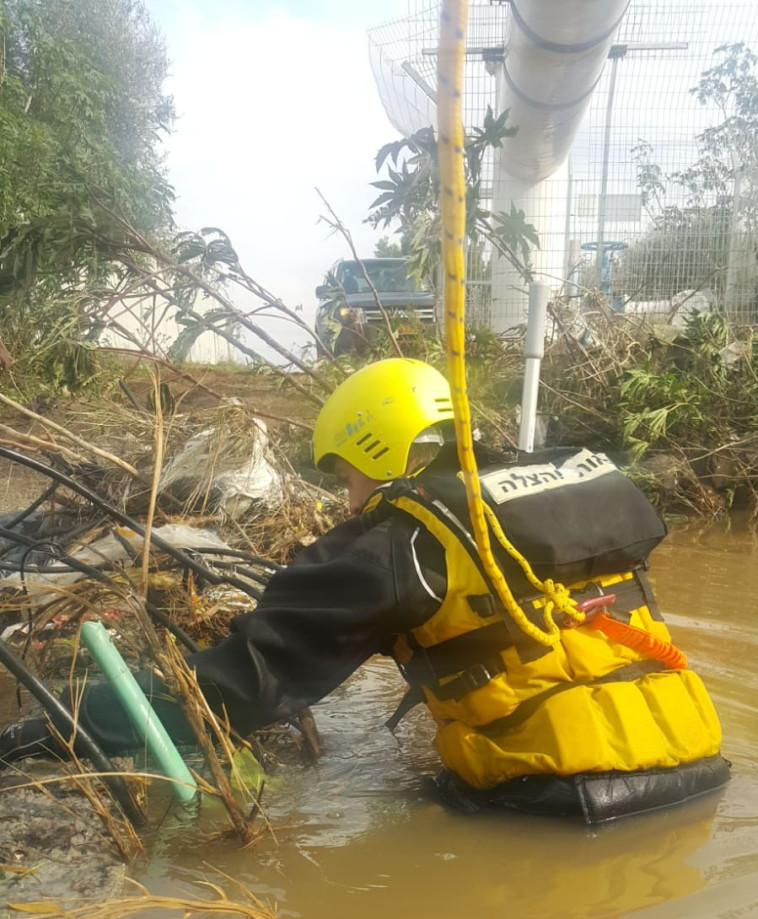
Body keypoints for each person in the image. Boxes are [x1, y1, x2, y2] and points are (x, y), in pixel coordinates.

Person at [0, 359, 730, 822]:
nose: (349, 499)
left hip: (556, 803)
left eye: (348, 474)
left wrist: (58, 725)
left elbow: (237, 687)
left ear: (379, 453)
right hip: (697, 770)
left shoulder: (397, 544)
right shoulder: (550, 495)